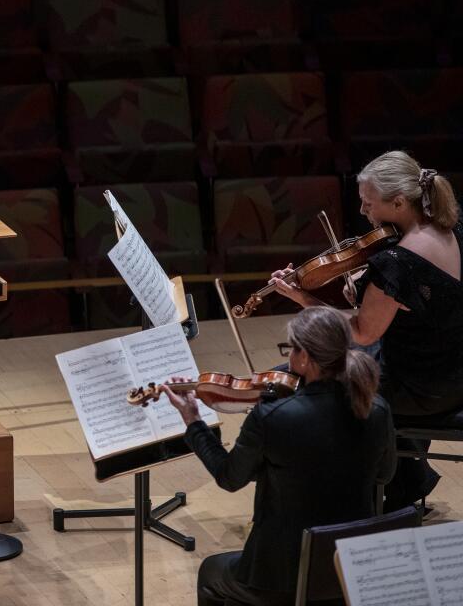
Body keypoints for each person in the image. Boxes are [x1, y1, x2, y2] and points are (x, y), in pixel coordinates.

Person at [162, 307, 395, 606]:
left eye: (291, 349)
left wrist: (194, 421)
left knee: (210, 573)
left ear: (305, 358)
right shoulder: (376, 408)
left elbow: (229, 477)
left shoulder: (272, 417)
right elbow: (384, 475)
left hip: (283, 577)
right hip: (352, 568)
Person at [269, 150, 463, 508]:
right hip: (451, 371)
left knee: (307, 373)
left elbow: (361, 331)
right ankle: (407, 484)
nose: (363, 213)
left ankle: (338, 498)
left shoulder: (398, 261)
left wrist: (301, 297)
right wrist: (370, 286)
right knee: (361, 361)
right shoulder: (449, 228)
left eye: (368, 204)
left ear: (400, 202)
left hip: (422, 388)